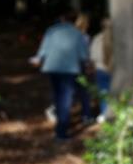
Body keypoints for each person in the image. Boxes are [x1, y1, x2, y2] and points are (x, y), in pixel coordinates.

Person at [30, 9, 90, 140]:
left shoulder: (51, 30)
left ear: (63, 18)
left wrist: (38, 59)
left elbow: (43, 50)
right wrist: (86, 64)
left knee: (58, 96)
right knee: (66, 99)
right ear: (74, 21)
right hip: (70, 69)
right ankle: (61, 131)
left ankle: (60, 127)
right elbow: (83, 55)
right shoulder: (77, 34)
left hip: (53, 68)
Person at [90, 18, 113, 123]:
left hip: (100, 70)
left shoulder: (97, 38)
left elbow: (93, 57)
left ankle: (105, 114)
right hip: (115, 71)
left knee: (103, 95)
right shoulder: (119, 38)